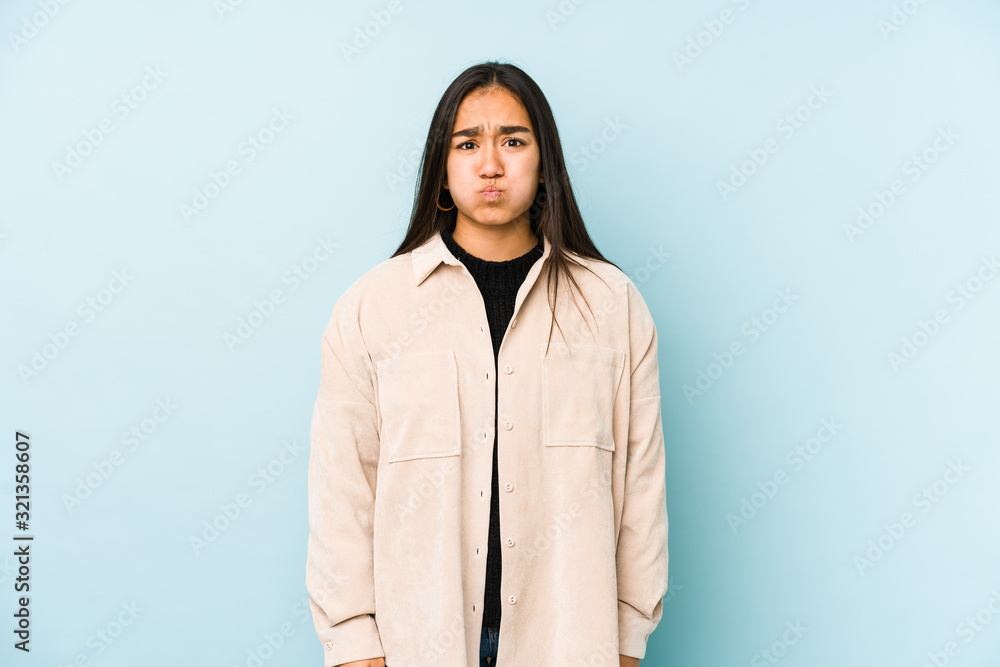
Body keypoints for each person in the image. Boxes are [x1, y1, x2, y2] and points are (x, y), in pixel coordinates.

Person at [306, 60, 668, 667]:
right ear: (442, 172)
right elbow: (341, 489)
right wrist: (353, 645)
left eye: (514, 141)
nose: (491, 164)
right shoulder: (374, 307)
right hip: (416, 643)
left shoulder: (611, 306)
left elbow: (642, 487)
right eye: (467, 143)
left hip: (571, 641)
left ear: (544, 164)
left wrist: (627, 640)